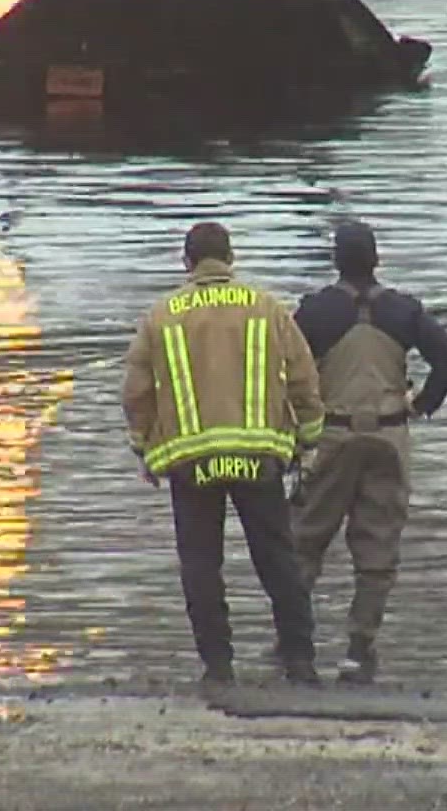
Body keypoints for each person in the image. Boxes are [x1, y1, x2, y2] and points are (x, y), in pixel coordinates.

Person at [121, 222, 328, 687]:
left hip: (191, 462)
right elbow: (303, 379)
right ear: (231, 260)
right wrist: (309, 441)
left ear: (186, 263)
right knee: (277, 559)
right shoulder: (267, 308)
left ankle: (218, 668)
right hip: (258, 458)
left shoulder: (161, 315)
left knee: (200, 564)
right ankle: (300, 662)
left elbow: (136, 391)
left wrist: (141, 445)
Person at [289, 221, 447, 685]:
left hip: (331, 436)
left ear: (336, 261)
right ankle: (358, 649)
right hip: (389, 436)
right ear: (377, 259)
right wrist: (423, 404)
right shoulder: (404, 311)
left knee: (305, 542)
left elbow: (283, 372)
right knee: (377, 546)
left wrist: (290, 435)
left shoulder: (314, 312)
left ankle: (296, 646)